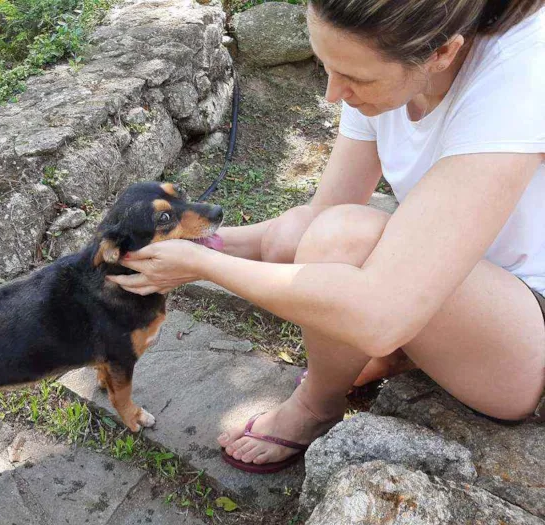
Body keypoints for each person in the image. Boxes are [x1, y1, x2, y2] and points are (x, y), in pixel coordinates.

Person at [109, 0, 545, 473]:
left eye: (355, 78)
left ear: (442, 53)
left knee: (341, 240)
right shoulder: (389, 55)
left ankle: (317, 405)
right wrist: (197, 244)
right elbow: (321, 214)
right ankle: (405, 356)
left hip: (526, 334)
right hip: (452, 275)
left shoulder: (518, 77)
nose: (335, 94)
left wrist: (202, 267)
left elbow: (380, 313)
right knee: (303, 230)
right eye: (327, 67)